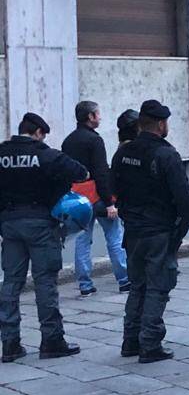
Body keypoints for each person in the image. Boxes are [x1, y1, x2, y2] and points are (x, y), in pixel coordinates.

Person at [0, 113, 88, 363]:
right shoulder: (45, 154)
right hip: (40, 223)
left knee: (11, 283)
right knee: (45, 282)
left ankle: (10, 343)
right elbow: (80, 172)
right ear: (38, 132)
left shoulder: (2, 154)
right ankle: (51, 340)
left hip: (9, 224)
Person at [112, 100, 189, 363]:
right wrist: (180, 230)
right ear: (161, 124)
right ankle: (150, 343)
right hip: (158, 229)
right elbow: (184, 198)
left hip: (133, 230)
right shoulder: (165, 154)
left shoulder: (123, 153)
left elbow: (115, 188)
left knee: (138, 286)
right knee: (158, 287)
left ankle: (131, 341)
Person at [61, 101, 131, 296]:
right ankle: (124, 280)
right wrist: (110, 202)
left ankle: (85, 285)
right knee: (114, 237)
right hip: (98, 197)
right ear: (90, 117)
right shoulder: (95, 140)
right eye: (98, 114)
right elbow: (101, 172)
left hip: (77, 198)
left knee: (83, 240)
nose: (100, 117)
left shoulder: (68, 141)